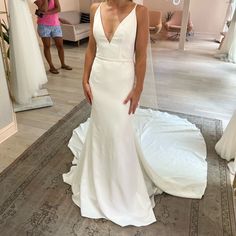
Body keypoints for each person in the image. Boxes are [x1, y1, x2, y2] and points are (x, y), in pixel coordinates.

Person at [63, 0, 208, 227]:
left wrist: (138, 88)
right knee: (100, 128)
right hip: (99, 78)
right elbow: (92, 47)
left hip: (122, 80)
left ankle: (122, 187)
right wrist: (84, 78)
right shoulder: (95, 9)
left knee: (119, 130)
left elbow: (141, 55)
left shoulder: (140, 12)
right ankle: (96, 180)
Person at [34, 0, 72, 74]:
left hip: (55, 25)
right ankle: (51, 66)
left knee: (60, 45)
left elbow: (58, 9)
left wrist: (46, 13)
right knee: (47, 46)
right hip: (43, 25)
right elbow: (44, 9)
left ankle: (63, 64)